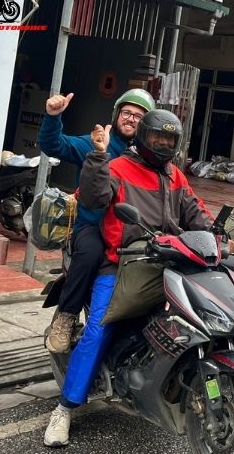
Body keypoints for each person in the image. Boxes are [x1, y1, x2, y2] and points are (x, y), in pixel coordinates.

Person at [43, 109, 215, 447]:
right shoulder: (119, 167)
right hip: (122, 264)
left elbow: (196, 212)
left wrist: (219, 236)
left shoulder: (175, 176)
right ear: (143, 138)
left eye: (170, 140)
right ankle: (64, 407)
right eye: (158, 138)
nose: (164, 145)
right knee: (100, 328)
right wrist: (96, 155)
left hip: (169, 261)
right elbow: (93, 198)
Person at [39, 89, 155, 354]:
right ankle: (66, 317)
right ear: (117, 115)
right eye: (127, 113)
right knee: (90, 254)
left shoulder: (149, 157)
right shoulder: (96, 142)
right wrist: (53, 117)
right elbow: (54, 145)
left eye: (139, 116)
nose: (132, 119)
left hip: (131, 230)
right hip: (92, 227)